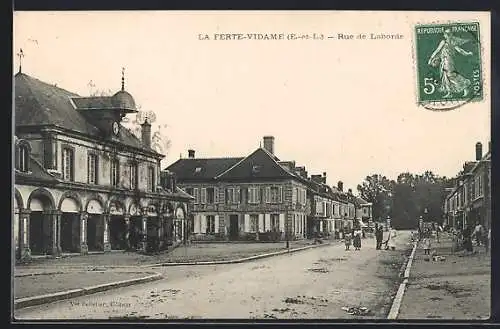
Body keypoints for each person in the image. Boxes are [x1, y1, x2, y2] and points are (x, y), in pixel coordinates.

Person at [427, 28, 473, 98]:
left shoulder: (452, 42)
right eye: (446, 33)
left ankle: (465, 87)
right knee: (445, 76)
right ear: (444, 35)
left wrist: (467, 53)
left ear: (451, 34)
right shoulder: (443, 42)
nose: (448, 35)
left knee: (450, 75)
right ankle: (449, 92)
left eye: (449, 33)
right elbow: (437, 50)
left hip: (449, 61)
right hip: (443, 61)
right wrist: (431, 58)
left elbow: (460, 50)